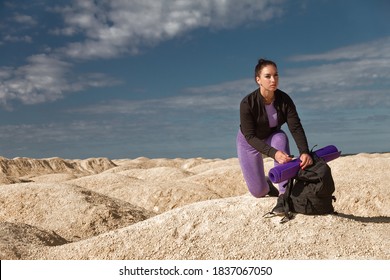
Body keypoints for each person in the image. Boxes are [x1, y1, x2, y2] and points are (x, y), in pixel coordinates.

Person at [236, 58, 313, 214]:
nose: (273, 80)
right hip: (249, 142)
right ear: (258, 80)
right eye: (268, 76)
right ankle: (266, 183)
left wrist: (304, 151)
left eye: (276, 75)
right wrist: (274, 154)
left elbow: (295, 126)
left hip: (272, 136)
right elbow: (250, 136)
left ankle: (284, 195)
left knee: (281, 138)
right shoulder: (247, 103)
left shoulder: (284, 100)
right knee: (258, 192)